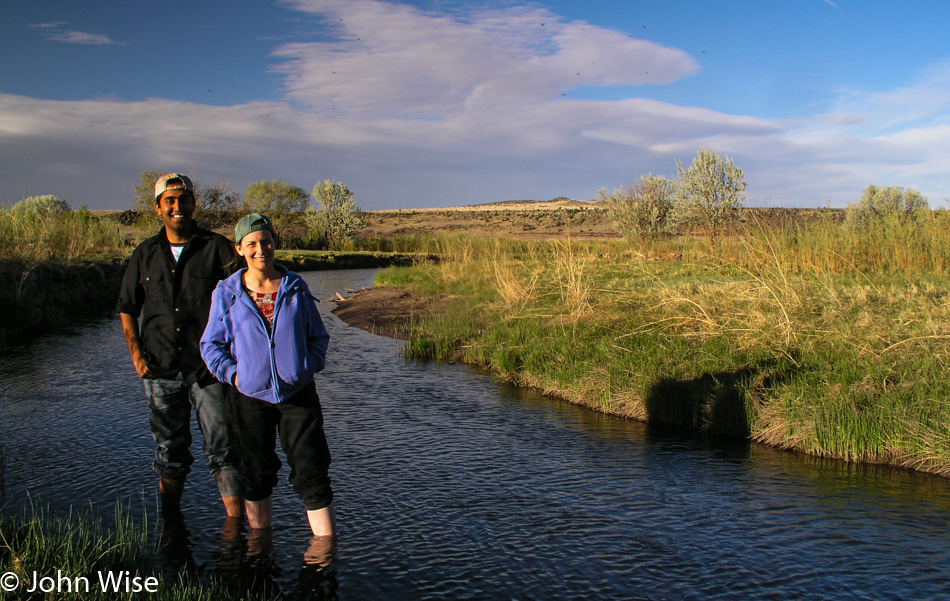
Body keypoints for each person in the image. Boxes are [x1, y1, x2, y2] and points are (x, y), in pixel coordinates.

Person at [200, 213, 336, 537]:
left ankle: (325, 553)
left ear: (274, 242)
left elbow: (318, 337)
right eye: (252, 244)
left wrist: (307, 365)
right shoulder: (227, 292)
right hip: (248, 397)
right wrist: (235, 376)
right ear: (239, 249)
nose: (260, 249)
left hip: (298, 394)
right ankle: (260, 549)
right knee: (256, 474)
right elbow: (211, 345)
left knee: (311, 471)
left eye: (266, 241)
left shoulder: (295, 287)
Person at [117, 173, 243, 517]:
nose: (177, 207)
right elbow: (127, 308)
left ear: (193, 203)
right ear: (158, 207)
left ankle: (236, 532)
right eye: (169, 201)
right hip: (159, 369)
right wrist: (136, 356)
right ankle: (170, 523)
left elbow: (244, 301)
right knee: (169, 451)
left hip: (209, 369)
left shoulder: (217, 248)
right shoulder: (144, 254)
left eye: (183, 199)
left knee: (224, 450)